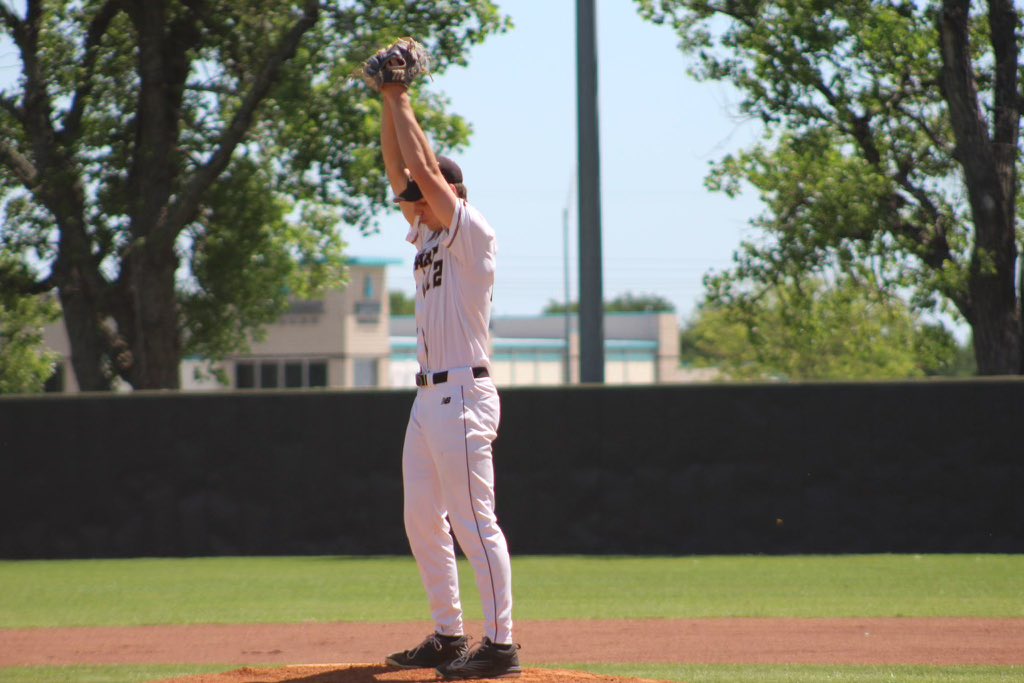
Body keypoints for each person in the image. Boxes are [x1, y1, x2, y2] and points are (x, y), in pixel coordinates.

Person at [376, 80, 521, 680]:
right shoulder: (430, 233)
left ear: (452, 192)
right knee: (420, 518)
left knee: (473, 523)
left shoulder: (470, 232)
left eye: (425, 191)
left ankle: (502, 645)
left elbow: (424, 171)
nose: (413, 200)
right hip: (427, 397)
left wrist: (403, 98)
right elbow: (399, 173)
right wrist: (385, 101)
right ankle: (448, 634)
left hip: (464, 393)